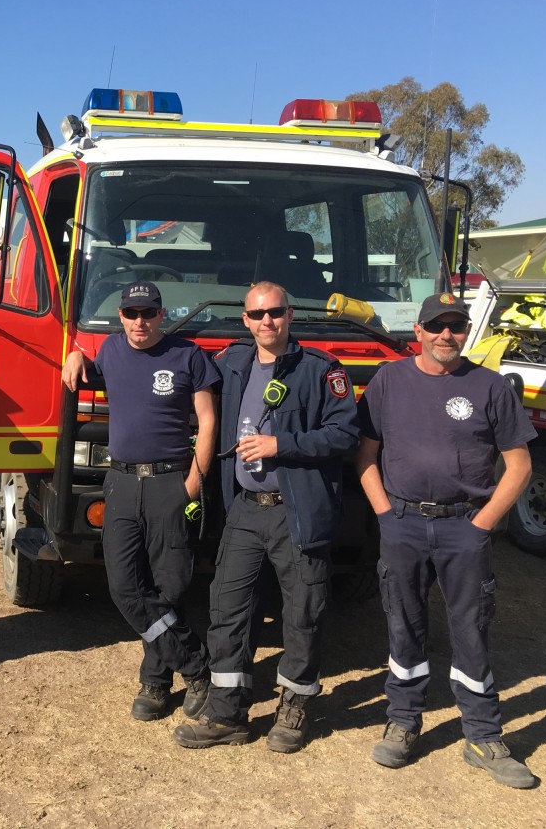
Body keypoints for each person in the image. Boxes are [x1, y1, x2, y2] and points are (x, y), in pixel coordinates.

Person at [356, 292, 537, 788]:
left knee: (471, 628)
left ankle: (482, 735)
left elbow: (519, 466)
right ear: (418, 330)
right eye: (437, 326)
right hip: (403, 524)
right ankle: (404, 721)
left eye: (456, 326)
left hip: (465, 526)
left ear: (465, 332)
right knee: (404, 624)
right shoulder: (388, 381)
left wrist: (483, 524)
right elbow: (365, 457)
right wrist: (386, 515)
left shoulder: (490, 386)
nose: (446, 335)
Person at [173, 282, 358, 752]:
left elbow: (345, 435)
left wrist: (283, 445)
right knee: (227, 609)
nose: (267, 322)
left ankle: (294, 708)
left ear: (290, 314)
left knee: (303, 613)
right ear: (245, 320)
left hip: (296, 513)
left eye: (275, 312)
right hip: (244, 511)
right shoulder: (232, 363)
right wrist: (88, 363)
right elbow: (175, 367)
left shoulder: (321, 370)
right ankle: (227, 712)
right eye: (257, 315)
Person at [63, 281, 216, 723]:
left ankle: (155, 681)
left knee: (168, 587)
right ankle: (197, 666)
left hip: (171, 482)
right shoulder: (110, 351)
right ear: (122, 317)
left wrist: (192, 485)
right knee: (125, 586)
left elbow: (207, 423)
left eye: (147, 313)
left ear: (161, 314)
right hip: (122, 484)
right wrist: (75, 357)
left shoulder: (189, 357)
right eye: (130, 313)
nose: (139, 322)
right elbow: (85, 367)